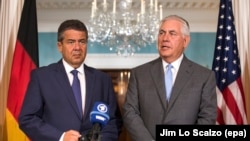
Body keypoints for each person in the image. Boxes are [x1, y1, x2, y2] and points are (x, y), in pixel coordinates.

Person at [19, 19, 122, 141]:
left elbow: (113, 121)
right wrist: (61, 137)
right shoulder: (42, 77)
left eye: (82, 42)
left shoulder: (102, 79)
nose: (77, 47)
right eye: (71, 42)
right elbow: (27, 119)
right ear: (60, 46)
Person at [122, 15, 217, 141]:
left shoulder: (204, 76)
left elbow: (207, 117)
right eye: (162, 33)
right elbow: (130, 112)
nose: (165, 38)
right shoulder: (139, 74)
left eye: (172, 33)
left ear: (185, 41)